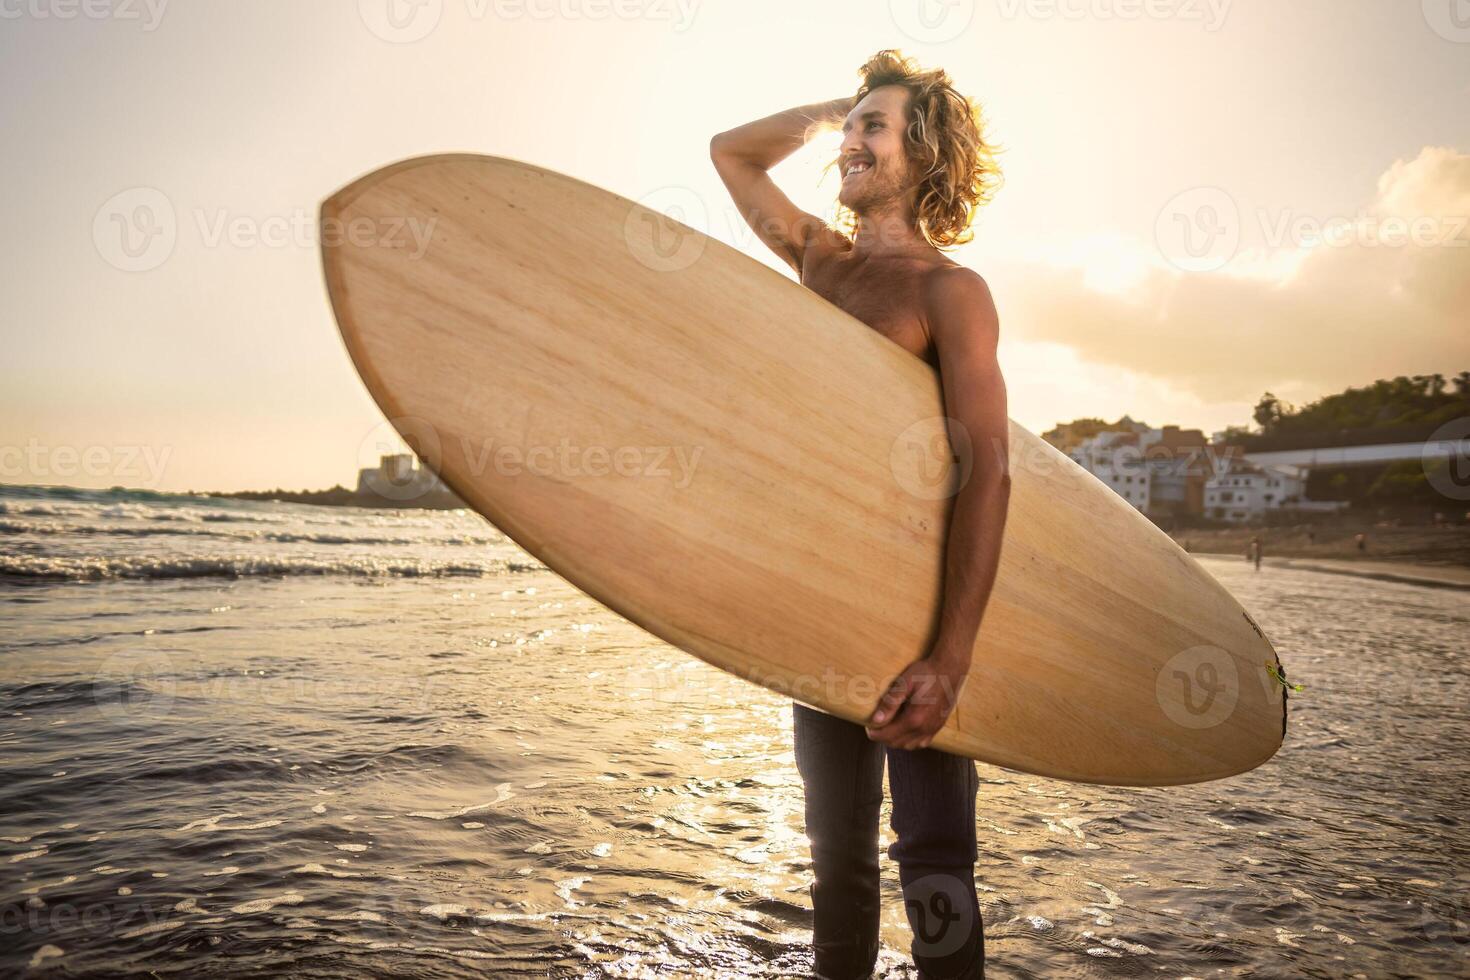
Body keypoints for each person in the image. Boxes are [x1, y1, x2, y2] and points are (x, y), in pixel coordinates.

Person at [712, 51, 1010, 979]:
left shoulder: (950, 293)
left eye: (873, 129)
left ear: (922, 156)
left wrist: (950, 656)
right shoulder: (821, 261)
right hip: (828, 608)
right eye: (851, 126)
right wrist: (836, 106)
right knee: (836, 864)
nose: (850, 141)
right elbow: (731, 153)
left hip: (917, 613)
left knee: (934, 865)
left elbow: (987, 472)